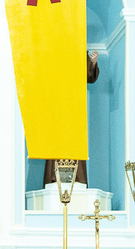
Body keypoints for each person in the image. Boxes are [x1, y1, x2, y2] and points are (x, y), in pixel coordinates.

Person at [43, 51, 101, 187]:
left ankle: (77, 178)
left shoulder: (79, 51)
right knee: (57, 140)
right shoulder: (53, 53)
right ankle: (54, 177)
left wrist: (93, 62)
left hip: (74, 106)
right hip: (57, 105)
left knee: (74, 140)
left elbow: (90, 76)